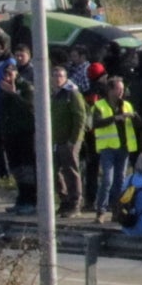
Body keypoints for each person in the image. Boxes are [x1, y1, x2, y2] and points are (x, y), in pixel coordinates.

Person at [90, 75, 141, 219]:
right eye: (118, 89)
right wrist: (115, 118)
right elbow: (96, 123)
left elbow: (138, 125)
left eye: (122, 89)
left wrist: (135, 116)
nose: (121, 92)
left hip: (124, 148)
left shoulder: (127, 105)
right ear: (110, 90)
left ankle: (116, 210)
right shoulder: (100, 105)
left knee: (120, 180)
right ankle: (101, 210)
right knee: (107, 180)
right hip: (108, 148)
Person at [0, 63, 37, 213]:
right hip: (10, 133)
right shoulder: (3, 89)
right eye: (5, 74)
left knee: (27, 168)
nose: (7, 77)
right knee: (16, 168)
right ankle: (21, 199)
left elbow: (31, 108)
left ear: (16, 74)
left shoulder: (26, 88)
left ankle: (30, 200)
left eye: (10, 73)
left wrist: (14, 93)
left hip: (25, 133)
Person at [49, 60, 86, 217]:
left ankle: (75, 203)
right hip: (55, 140)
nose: (58, 78)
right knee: (54, 171)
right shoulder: (52, 95)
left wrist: (74, 140)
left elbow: (80, 118)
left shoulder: (72, 94)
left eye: (61, 76)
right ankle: (64, 201)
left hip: (70, 140)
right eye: (55, 75)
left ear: (65, 78)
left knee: (71, 171)